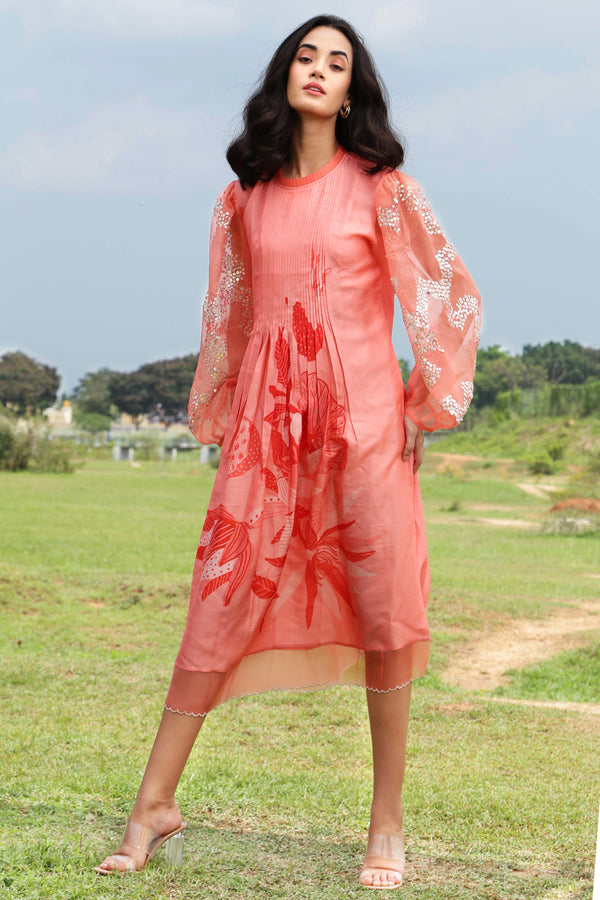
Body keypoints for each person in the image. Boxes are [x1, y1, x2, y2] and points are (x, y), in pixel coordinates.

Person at [95, 14, 481, 889]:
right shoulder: (244, 199)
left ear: (353, 92)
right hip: (268, 437)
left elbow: (446, 287)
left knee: (384, 611)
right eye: (306, 56)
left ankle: (387, 824)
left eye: (337, 61)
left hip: (366, 427)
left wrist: (426, 400)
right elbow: (227, 317)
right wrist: (226, 412)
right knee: (217, 599)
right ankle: (153, 804)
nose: (319, 70)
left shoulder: (383, 188)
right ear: (284, 77)